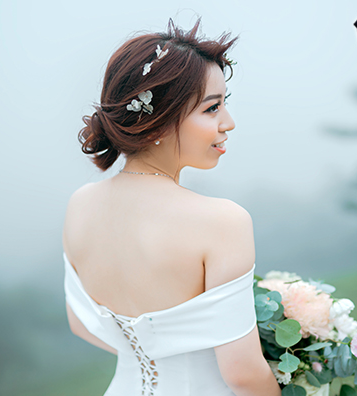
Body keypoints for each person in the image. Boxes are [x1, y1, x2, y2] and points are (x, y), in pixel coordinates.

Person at [62, 17, 281, 396]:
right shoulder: (222, 221)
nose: (228, 122)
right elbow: (243, 373)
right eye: (212, 109)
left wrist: (144, 354)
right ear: (159, 121)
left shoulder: (81, 204)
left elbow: (80, 324)